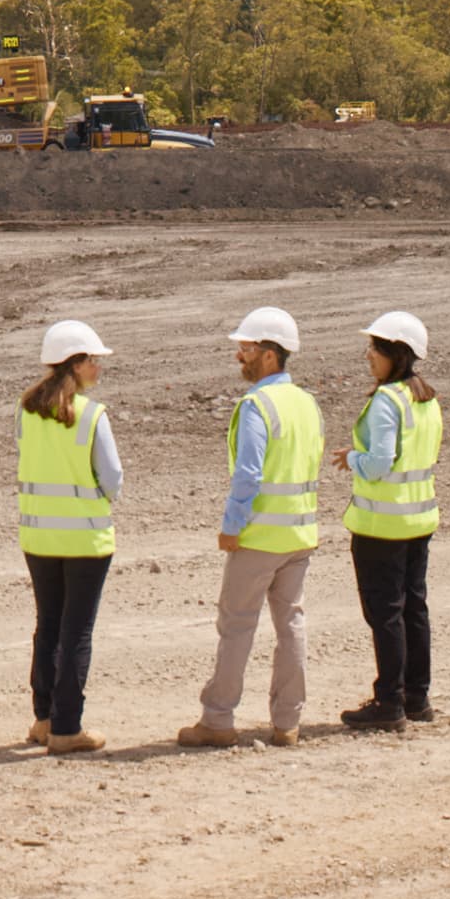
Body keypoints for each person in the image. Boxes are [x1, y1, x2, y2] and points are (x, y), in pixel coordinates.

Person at [181, 304, 319, 749]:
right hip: (299, 535)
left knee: (237, 626)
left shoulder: (257, 405)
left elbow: (249, 475)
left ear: (269, 354)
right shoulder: (307, 404)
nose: (239, 355)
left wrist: (232, 525)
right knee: (291, 626)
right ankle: (288, 722)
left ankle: (218, 720)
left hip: (259, 537)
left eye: (246, 348)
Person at [16, 318, 124, 754]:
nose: (99, 366)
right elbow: (112, 478)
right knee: (75, 632)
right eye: (93, 359)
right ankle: (67, 728)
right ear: (75, 364)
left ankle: (44, 719)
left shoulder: (25, 411)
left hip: (39, 537)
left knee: (48, 625)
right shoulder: (92, 415)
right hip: (85, 540)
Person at [332, 309, 443, 731]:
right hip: (419, 520)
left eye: (375, 348)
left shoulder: (386, 401)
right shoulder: (425, 399)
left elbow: (379, 464)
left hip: (381, 527)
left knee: (386, 614)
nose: (368, 355)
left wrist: (352, 458)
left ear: (395, 354)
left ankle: (389, 702)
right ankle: (417, 698)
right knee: (414, 609)